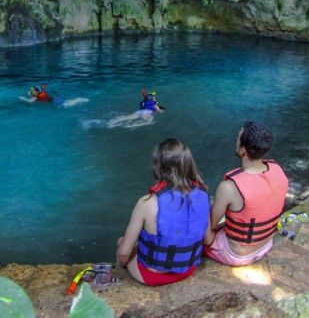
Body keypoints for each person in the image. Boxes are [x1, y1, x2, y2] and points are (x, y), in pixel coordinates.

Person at [116, 139, 210, 286]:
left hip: (152, 276)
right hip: (187, 269)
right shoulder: (203, 195)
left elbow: (123, 253)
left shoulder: (146, 203)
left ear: (158, 168)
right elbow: (208, 239)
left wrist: (122, 266)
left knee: (121, 242)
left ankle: (119, 277)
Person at [204, 121, 289, 267]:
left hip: (237, 254)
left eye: (237, 139)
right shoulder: (278, 170)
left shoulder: (229, 187)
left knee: (200, 216)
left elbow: (211, 225)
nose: (235, 141)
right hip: (265, 244)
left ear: (243, 151)